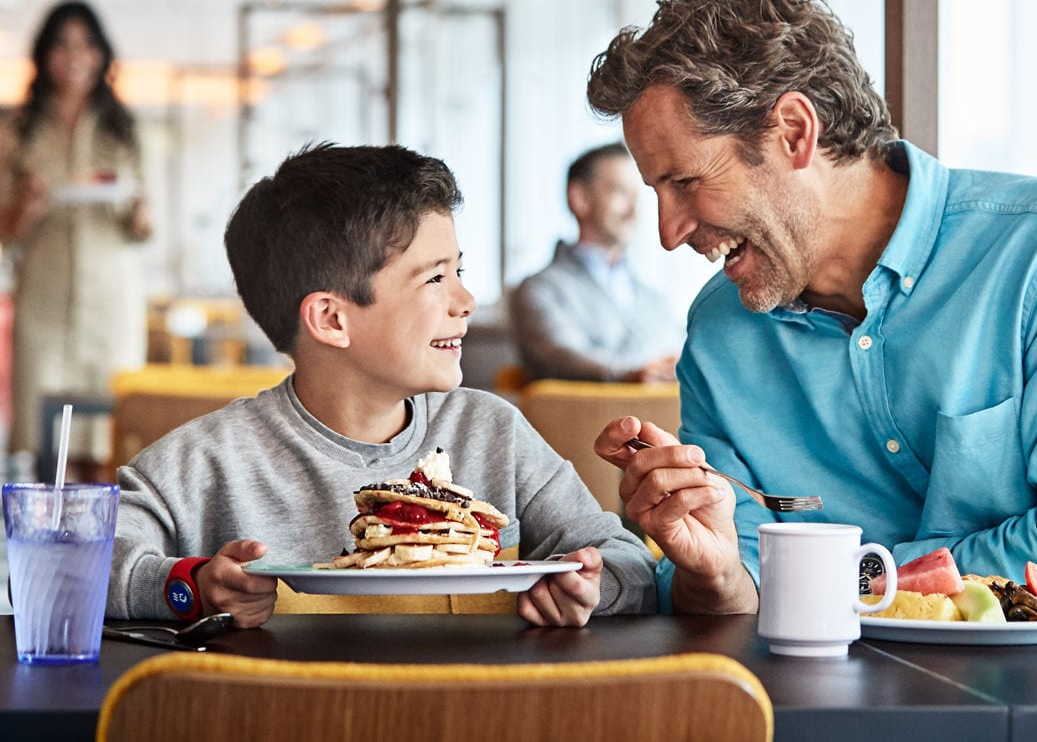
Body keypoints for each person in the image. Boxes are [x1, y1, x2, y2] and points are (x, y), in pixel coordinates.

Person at [586, 0, 1037, 614]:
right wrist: (709, 572)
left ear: (795, 133)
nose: (667, 232)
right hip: (815, 707)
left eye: (684, 181)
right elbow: (736, 584)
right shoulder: (721, 333)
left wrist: (820, 579)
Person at [107, 143, 656, 628]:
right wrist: (191, 586)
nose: (464, 301)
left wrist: (590, 589)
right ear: (331, 320)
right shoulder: (207, 461)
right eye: (435, 277)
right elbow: (87, 568)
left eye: (459, 272)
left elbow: (628, 563)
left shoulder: (490, 433)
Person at [0, 0, 151, 473]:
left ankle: (106, 546)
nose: (75, 55)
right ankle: (49, 541)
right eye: (62, 44)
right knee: (48, 447)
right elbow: (5, 233)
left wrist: (139, 211)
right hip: (44, 295)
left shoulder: (123, 128)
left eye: (86, 43)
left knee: (105, 436)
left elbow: (143, 229)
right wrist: (24, 205)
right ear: (44, 55)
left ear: (102, 53)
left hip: (111, 296)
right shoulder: (17, 130)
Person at [510, 142, 684, 383]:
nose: (635, 210)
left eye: (637, 196)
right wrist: (634, 374)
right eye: (621, 193)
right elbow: (559, 358)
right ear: (579, 198)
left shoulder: (654, 299)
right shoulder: (540, 290)